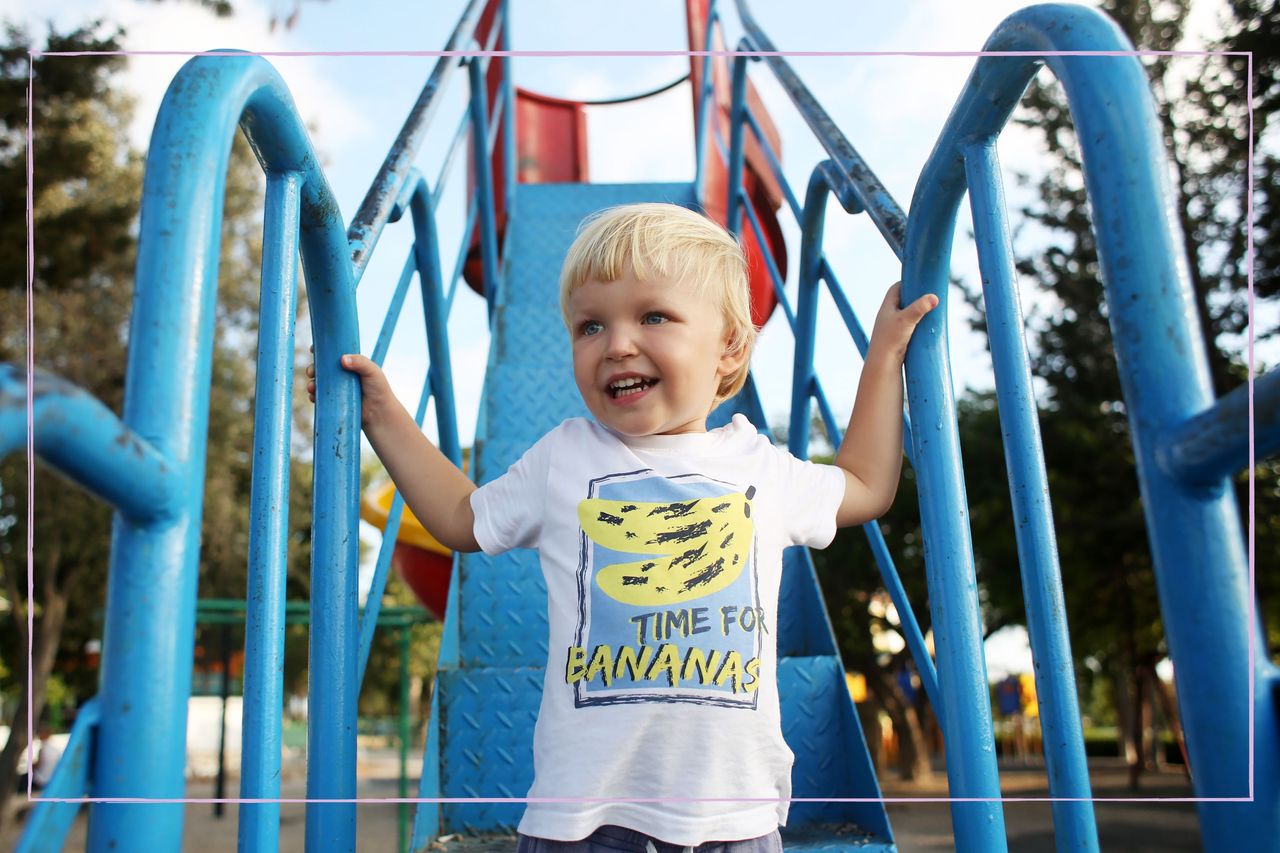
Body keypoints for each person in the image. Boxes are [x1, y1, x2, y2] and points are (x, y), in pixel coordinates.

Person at [308, 203, 936, 852]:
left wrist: (884, 356)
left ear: (729, 346)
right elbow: (462, 519)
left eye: (654, 315)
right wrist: (380, 413)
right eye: (589, 326)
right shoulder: (563, 456)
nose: (617, 343)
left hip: (732, 817)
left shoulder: (760, 466)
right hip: (581, 820)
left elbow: (864, 484)